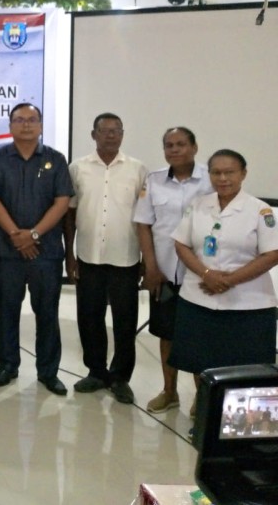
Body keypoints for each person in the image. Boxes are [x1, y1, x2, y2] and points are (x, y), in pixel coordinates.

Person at [169, 150, 278, 397]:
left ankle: (236, 414)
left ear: (243, 174)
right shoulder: (198, 205)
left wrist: (228, 280)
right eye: (216, 172)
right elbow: (181, 244)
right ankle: (204, 404)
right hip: (199, 298)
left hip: (247, 304)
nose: (223, 178)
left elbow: (272, 254)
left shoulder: (260, 210)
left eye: (229, 172)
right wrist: (207, 274)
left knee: (245, 365)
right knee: (199, 359)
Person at [0, 102, 73, 395]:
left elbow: (62, 202)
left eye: (32, 120)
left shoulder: (56, 159)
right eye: (19, 120)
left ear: (41, 126)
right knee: (7, 310)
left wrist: (33, 235)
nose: (26, 125)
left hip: (46, 253)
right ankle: (7, 366)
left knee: (47, 313)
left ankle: (48, 371)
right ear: (10, 126)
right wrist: (16, 235)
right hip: (7, 252)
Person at [65, 113, 147, 404]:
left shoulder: (138, 169)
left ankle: (120, 377)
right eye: (105, 131)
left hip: (126, 257)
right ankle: (96, 372)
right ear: (93, 134)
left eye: (116, 131)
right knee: (89, 317)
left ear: (123, 134)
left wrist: (146, 258)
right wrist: (69, 255)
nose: (111, 135)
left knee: (125, 320)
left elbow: (145, 218)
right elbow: (70, 213)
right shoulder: (78, 168)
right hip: (88, 256)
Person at [132, 127, 212, 415]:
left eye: (181, 144)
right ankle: (169, 392)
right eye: (169, 145)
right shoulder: (154, 181)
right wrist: (151, 267)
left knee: (199, 337)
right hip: (164, 274)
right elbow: (143, 224)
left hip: (201, 275)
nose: (175, 150)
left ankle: (202, 396)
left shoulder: (211, 180)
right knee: (166, 334)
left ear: (194, 147)